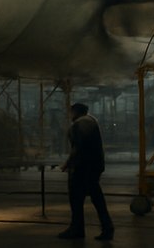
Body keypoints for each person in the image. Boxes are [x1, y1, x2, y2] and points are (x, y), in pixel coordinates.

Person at [59, 102, 113, 240]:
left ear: (75, 112)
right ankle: (107, 228)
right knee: (97, 199)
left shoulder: (79, 124)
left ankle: (77, 229)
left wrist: (67, 164)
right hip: (95, 166)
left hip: (82, 168)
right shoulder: (92, 121)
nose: (69, 115)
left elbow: (78, 147)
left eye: (70, 112)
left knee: (76, 200)